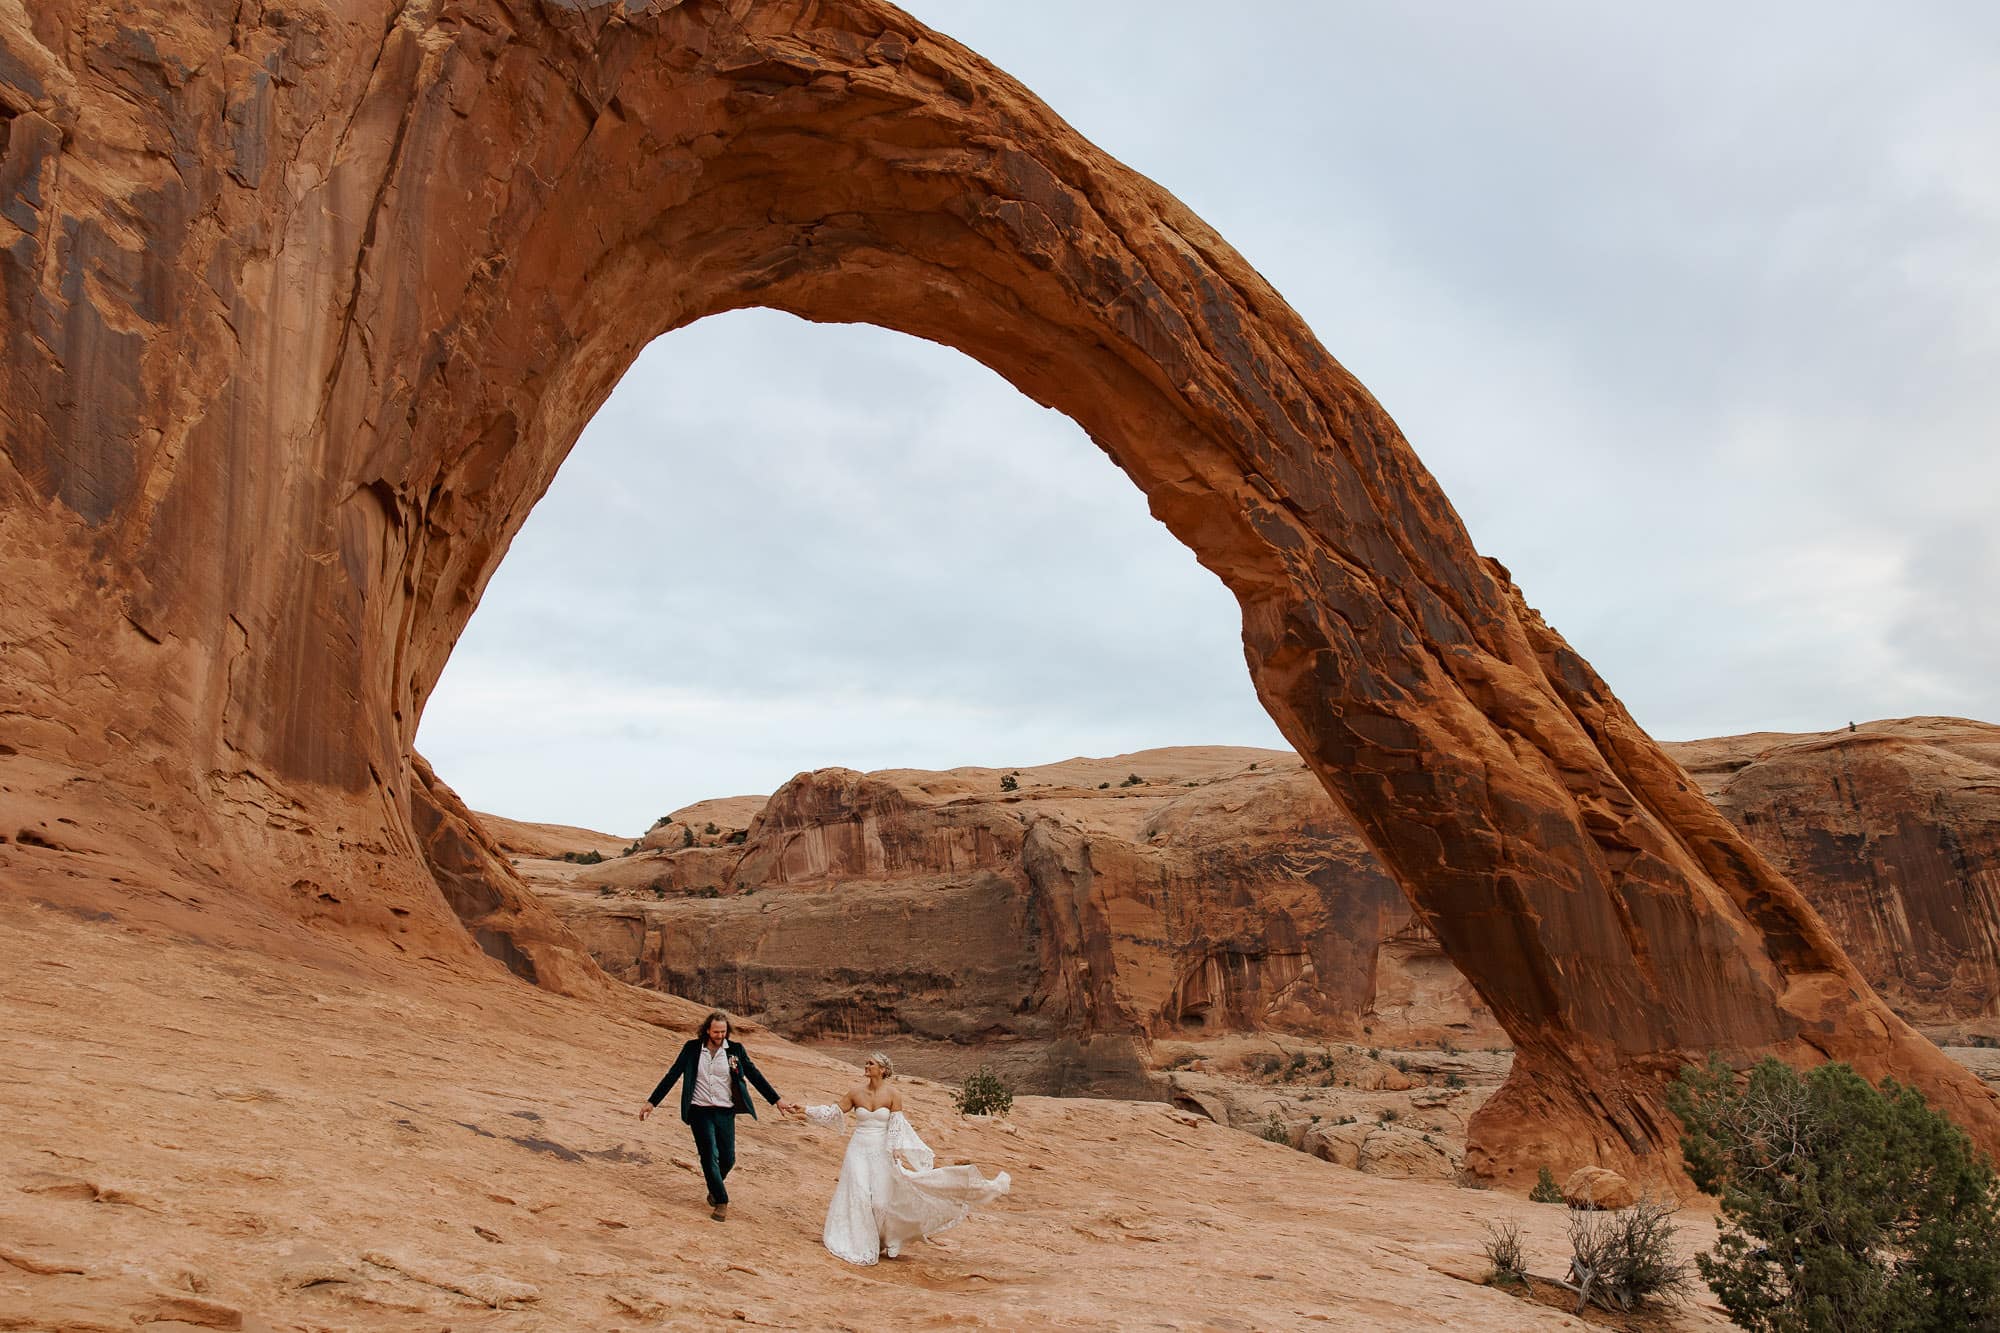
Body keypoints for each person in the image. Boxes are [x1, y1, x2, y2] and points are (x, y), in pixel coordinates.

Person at [802, 1053, 1010, 1265]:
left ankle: (886, 1237)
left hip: (882, 1151)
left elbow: (895, 1125)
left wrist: (895, 1149)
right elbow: (832, 1113)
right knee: (860, 1196)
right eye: (866, 1062)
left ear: (882, 1069)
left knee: (880, 1202)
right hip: (858, 1150)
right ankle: (862, 1243)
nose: (866, 1066)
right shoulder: (855, 1093)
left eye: (870, 1063)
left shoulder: (893, 1094)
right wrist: (805, 1110)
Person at [639, 1011, 799, 1220]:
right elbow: (672, 1074)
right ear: (707, 1030)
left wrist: (777, 1100)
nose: (720, 1035)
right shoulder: (692, 1049)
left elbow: (754, 1075)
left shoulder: (735, 1051)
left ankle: (714, 1188)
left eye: (723, 1032)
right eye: (716, 1031)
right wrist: (652, 1102)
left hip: (725, 1110)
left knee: (728, 1158)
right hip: (699, 1109)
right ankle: (721, 1201)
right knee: (708, 1155)